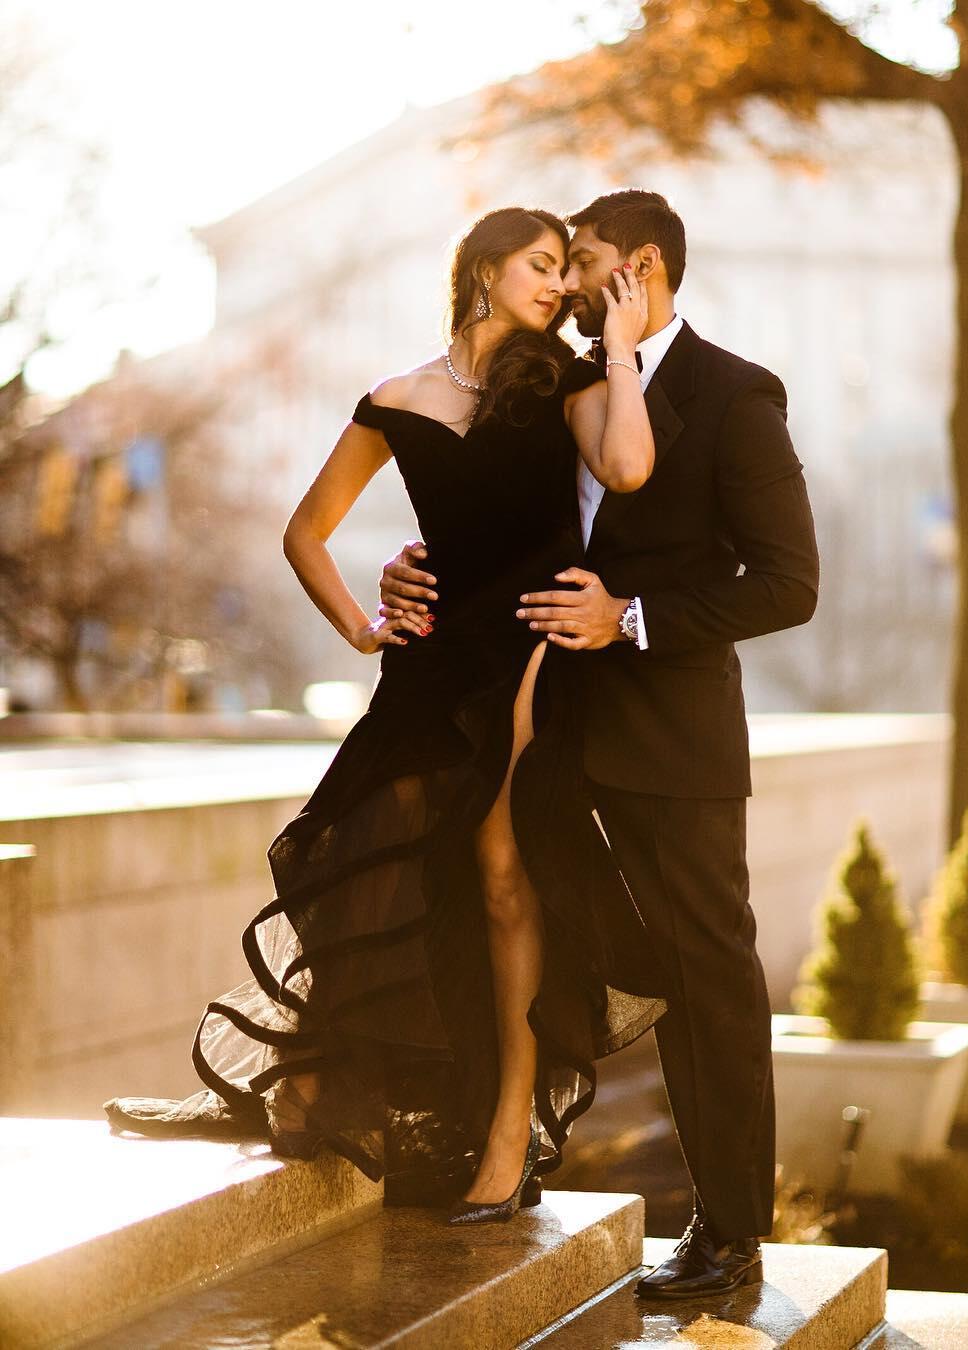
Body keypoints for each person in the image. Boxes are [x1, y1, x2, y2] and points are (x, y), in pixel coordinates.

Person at [103, 205, 670, 1227]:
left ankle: (507, 1131)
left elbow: (628, 467)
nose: (558, 287)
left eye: (563, 271)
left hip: (529, 648)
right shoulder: (395, 398)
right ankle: (328, 1088)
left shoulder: (563, 381)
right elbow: (305, 531)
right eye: (542, 266)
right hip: (431, 658)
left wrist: (619, 351)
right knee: (376, 857)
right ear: (484, 270)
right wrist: (365, 627)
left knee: (503, 875)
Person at [379, 190, 819, 1285]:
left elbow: (789, 583)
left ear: (647, 268)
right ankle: (497, 1142)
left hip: (671, 742)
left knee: (701, 973)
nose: (564, 282)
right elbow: (505, 515)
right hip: (548, 729)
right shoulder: (555, 377)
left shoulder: (733, 395)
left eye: (583, 261)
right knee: (506, 916)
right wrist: (413, 568)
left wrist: (627, 618)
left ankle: (730, 1230)